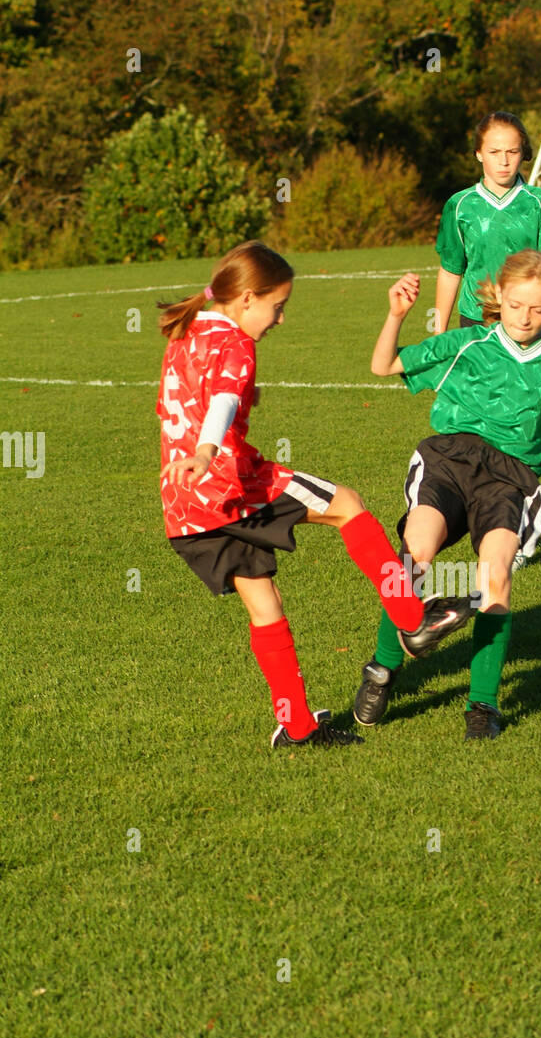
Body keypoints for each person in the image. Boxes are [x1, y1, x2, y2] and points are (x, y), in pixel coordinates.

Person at [157, 240, 473, 750]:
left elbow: (201, 397)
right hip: (227, 483)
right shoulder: (236, 341)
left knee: (266, 606)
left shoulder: (188, 331)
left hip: (183, 501)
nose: (280, 319)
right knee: (348, 505)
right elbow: (220, 400)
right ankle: (413, 619)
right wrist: (210, 447)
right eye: (277, 307)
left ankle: (298, 726)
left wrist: (202, 448)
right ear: (247, 299)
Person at [354, 249, 541, 740]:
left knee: (496, 578)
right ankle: (383, 667)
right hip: (449, 458)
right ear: (498, 296)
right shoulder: (467, 343)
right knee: (415, 555)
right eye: (517, 305)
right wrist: (395, 315)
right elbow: (384, 365)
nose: (526, 317)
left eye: (538, 309)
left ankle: (481, 706)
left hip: (510, 480)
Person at [434, 111, 541, 332]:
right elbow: (451, 271)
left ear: (522, 153)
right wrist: (438, 335)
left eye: (512, 151)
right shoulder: (459, 206)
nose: (504, 161)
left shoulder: (540, 203)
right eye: (494, 152)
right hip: (475, 322)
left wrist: (533, 310)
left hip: (526, 322)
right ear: (479, 153)